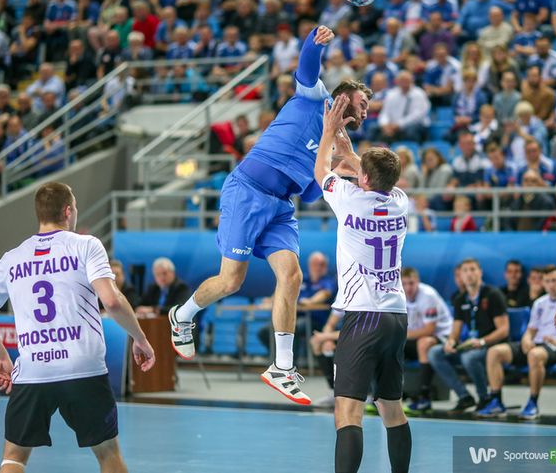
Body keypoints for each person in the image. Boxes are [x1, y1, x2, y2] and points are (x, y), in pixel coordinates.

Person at [167, 26, 367, 406]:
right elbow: (307, 67)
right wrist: (314, 40)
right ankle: (183, 315)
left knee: (292, 276)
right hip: (248, 192)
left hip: (281, 206)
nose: (366, 110)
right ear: (344, 97)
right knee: (231, 281)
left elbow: (310, 193)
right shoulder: (316, 99)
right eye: (363, 102)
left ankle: (282, 366)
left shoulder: (338, 143)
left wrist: (340, 166)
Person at [0, 182, 155, 473]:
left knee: (14, 456)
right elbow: (112, 301)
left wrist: (1, 356)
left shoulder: (12, 258)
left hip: (33, 370)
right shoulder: (86, 245)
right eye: (75, 207)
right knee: (108, 453)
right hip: (84, 368)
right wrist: (139, 338)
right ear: (68, 211)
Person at [314, 95, 411, 473]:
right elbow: (371, 176)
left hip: (363, 315)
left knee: (348, 411)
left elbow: (321, 170)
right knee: (391, 408)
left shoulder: (350, 200)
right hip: (396, 315)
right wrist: (350, 151)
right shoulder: (401, 201)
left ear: (364, 180)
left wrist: (329, 132)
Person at [479, 264, 556, 419]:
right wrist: (526, 339)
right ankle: (496, 401)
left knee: (535, 355)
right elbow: (531, 329)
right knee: (494, 352)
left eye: (554, 280)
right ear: (543, 283)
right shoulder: (539, 303)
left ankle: (532, 403)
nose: (551, 284)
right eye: (547, 281)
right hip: (536, 345)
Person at [428, 258, 508, 415]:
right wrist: (451, 341)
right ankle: (464, 396)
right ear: (461, 275)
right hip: (470, 345)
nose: (469, 274)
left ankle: (485, 398)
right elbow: (456, 330)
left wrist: (482, 341)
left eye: (472, 269)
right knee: (435, 352)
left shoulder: (493, 294)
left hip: (490, 345)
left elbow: (504, 330)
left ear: (480, 272)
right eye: (465, 271)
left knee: (469, 357)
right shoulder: (460, 299)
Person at [401, 268, 454, 412]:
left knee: (423, 343)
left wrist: (401, 335)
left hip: (442, 335)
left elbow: (429, 330)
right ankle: (384, 396)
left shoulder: (428, 295)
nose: (408, 288)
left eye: (411, 283)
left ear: (418, 281)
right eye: (404, 284)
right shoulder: (397, 295)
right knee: (387, 346)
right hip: (414, 335)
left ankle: (424, 397)